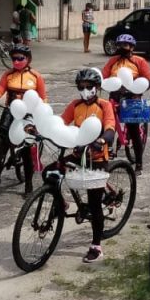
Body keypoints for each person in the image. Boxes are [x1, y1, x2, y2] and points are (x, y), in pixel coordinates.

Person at [56, 68, 117, 264]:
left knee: (94, 203)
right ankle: (61, 203)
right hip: (78, 153)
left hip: (98, 158)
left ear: (97, 87)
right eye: (81, 87)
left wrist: (103, 140)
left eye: (89, 87)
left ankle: (96, 247)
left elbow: (110, 128)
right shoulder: (75, 105)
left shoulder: (104, 105)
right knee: (50, 172)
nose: (85, 90)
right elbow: (61, 124)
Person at [0, 44, 47, 195]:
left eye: (20, 58)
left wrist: (41, 116)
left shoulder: (36, 76)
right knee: (1, 146)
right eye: (13, 58)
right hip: (10, 111)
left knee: (27, 150)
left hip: (28, 115)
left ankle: (28, 184)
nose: (16, 61)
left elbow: (43, 98)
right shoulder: (8, 75)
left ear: (28, 59)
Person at [102, 33, 150, 174]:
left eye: (124, 45)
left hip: (132, 96)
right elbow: (104, 77)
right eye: (119, 45)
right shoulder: (113, 60)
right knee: (107, 125)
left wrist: (139, 90)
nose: (121, 48)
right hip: (114, 96)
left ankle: (138, 163)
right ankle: (106, 155)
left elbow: (149, 79)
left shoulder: (139, 61)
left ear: (131, 47)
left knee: (133, 130)